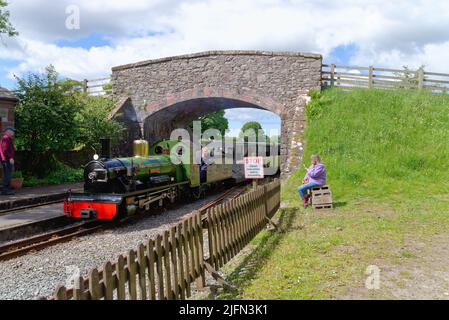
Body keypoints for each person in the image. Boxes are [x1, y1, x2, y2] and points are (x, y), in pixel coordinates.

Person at [0, 127, 16, 196]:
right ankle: (5, 191)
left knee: (8, 174)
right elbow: (4, 150)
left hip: (7, 159)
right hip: (6, 160)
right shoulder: (6, 138)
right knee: (7, 175)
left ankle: (8, 189)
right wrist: (10, 158)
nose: (13, 133)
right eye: (12, 132)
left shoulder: (8, 139)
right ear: (8, 132)